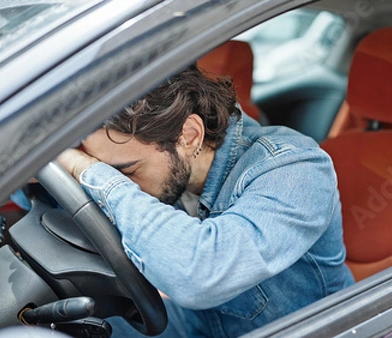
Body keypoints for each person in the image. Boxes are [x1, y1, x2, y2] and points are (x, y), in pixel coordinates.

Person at [56, 64, 354, 337]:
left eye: (126, 172)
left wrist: (93, 173)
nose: (125, 184)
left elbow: (198, 274)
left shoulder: (295, 168)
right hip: (203, 324)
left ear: (189, 136)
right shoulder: (167, 167)